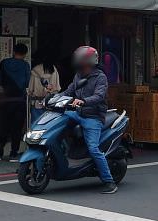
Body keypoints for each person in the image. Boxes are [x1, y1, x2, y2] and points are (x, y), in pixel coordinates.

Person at [60, 45, 117, 194]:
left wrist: (83, 101)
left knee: (93, 148)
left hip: (93, 117)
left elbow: (99, 96)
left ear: (90, 61)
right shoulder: (78, 75)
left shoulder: (100, 77)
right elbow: (68, 91)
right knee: (59, 120)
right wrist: (53, 98)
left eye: (82, 59)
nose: (79, 62)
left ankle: (109, 181)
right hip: (78, 113)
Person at [0, 42, 30, 162]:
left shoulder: (4, 63)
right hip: (19, 101)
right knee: (16, 128)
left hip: (6, 99)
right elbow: (27, 82)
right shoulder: (25, 66)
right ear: (25, 54)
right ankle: (13, 154)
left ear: (14, 52)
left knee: (3, 126)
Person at [28, 50, 60, 123]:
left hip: (37, 103)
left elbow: (30, 89)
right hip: (50, 102)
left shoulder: (35, 70)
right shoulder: (54, 70)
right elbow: (57, 88)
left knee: (36, 125)